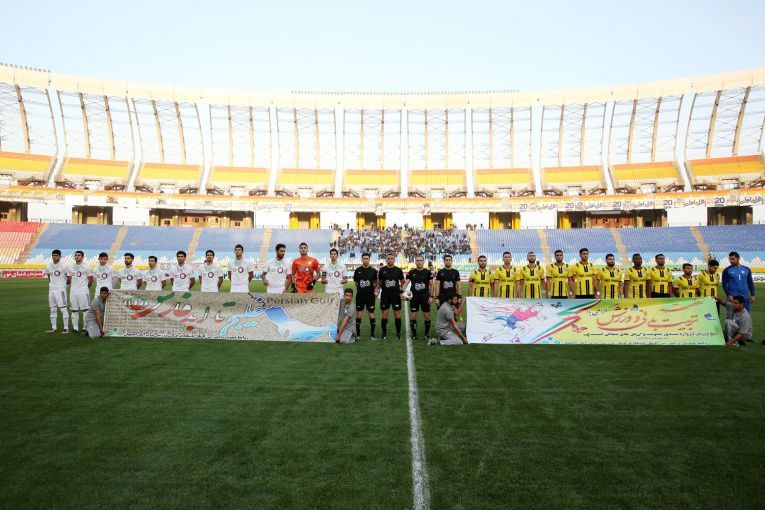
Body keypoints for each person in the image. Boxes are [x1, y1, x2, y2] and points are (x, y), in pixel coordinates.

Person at [378, 253, 406, 340]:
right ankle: (384, 333)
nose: (390, 260)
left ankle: (398, 333)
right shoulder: (382, 270)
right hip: (385, 294)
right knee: (384, 314)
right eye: (388, 258)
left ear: (394, 259)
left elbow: (402, 282)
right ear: (386, 259)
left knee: (397, 313)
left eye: (391, 258)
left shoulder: (398, 270)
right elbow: (380, 283)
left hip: (396, 295)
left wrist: (401, 292)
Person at [407, 255, 434, 340]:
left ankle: (426, 334)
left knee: (427, 316)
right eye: (417, 260)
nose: (419, 262)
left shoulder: (428, 272)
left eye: (420, 260)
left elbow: (431, 285)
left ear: (423, 261)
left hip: (425, 296)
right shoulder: (411, 272)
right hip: (414, 296)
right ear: (415, 262)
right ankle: (414, 334)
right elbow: (406, 283)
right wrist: (401, 291)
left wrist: (431, 296)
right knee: (413, 316)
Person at [67, 250, 94, 334]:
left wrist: (86, 288)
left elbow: (91, 279)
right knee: (74, 310)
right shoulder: (70, 267)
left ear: (82, 257)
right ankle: (75, 328)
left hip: (83, 291)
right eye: (75, 255)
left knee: (85, 310)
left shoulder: (87, 266)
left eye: (79, 255)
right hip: (73, 291)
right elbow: (69, 279)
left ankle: (85, 328)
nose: (77, 256)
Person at [44, 249, 70, 334]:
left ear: (60, 256)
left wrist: (64, 286)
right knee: (53, 309)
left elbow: (69, 278)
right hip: (51, 289)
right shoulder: (49, 265)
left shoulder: (64, 266)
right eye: (53, 255)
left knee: (63, 308)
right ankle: (53, 327)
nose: (54, 257)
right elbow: (48, 274)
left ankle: (66, 328)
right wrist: (51, 283)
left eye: (56, 255)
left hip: (60, 290)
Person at [353, 253, 378, 340]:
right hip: (360, 295)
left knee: (371, 313)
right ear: (362, 259)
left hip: (370, 296)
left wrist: (371, 289)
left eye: (367, 258)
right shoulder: (358, 270)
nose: (366, 260)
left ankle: (372, 334)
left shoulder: (373, 271)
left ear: (369, 259)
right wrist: (361, 288)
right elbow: (356, 282)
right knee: (359, 314)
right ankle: (358, 334)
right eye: (364, 258)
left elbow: (375, 282)